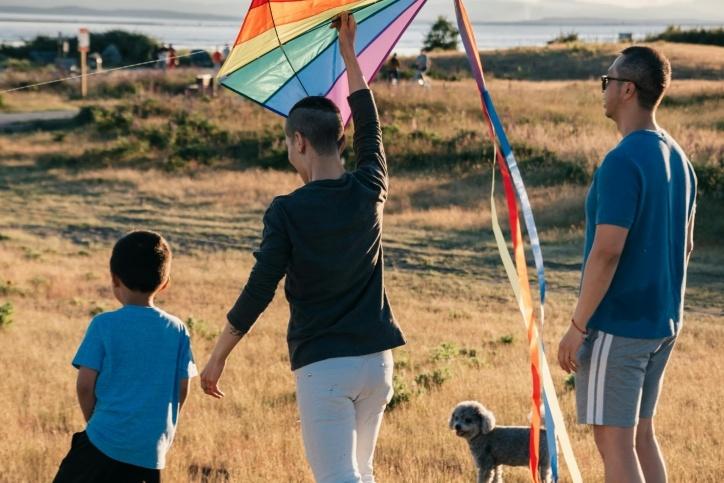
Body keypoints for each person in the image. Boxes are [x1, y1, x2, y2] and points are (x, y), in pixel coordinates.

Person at [199, 12, 405, 483]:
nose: (289, 152)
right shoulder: (369, 186)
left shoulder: (286, 211)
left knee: (339, 478)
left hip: (324, 367)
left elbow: (259, 289)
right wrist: (349, 51)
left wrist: (218, 356)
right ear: (340, 138)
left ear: (300, 141)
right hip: (377, 364)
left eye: (289, 145)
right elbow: (370, 124)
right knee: (362, 473)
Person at [557, 46, 697, 483]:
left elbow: (608, 250)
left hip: (619, 326)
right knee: (640, 435)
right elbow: (687, 246)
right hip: (661, 323)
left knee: (613, 442)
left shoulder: (622, 161)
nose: (604, 89)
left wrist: (578, 326)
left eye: (608, 81)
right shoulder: (680, 158)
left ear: (627, 90)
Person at [53, 230, 198, 483]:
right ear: (165, 283)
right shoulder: (178, 330)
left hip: (101, 443)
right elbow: (182, 388)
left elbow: (85, 386)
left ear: (114, 279)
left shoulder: (104, 324)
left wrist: (95, 423)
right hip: (149, 454)